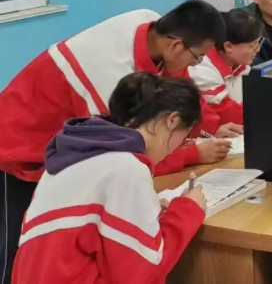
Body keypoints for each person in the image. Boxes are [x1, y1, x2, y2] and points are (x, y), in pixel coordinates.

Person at [0, 1, 230, 284]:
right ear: (176, 46)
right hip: (15, 147)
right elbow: (142, 271)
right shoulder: (105, 82)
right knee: (11, 253)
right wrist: (186, 202)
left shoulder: (148, 23)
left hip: (56, 160)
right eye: (197, 58)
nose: (195, 65)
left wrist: (141, 205)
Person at [11, 72, 207, 284]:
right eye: (185, 137)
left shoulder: (78, 153)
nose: (179, 146)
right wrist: (187, 210)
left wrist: (143, 207)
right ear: (172, 120)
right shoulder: (126, 167)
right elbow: (141, 274)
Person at [189, 9, 265, 132]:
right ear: (228, 46)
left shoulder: (241, 65)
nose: (257, 50)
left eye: (259, 43)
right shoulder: (202, 68)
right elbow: (227, 114)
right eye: (252, 46)